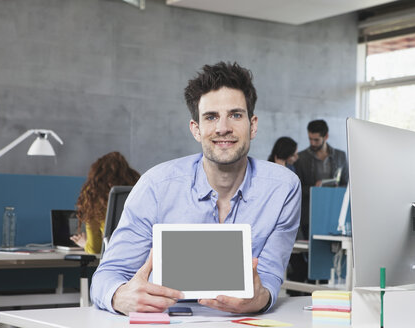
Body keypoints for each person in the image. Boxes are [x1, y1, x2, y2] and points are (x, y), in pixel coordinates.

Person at [90, 62, 301, 315]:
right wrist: (120, 296)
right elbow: (107, 276)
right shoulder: (156, 186)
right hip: (166, 320)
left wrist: (261, 298)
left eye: (235, 114)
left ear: (252, 125)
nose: (223, 127)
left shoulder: (283, 188)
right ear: (196, 129)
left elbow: (268, 277)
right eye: (211, 117)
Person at [70, 151, 140, 254]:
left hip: (114, 260)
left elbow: (95, 248)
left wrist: (84, 243)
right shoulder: (138, 188)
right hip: (143, 258)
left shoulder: (93, 194)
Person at [294, 119, 348, 239]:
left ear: (326, 136)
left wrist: (336, 188)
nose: (312, 143)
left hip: (335, 213)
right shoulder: (301, 158)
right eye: (310, 139)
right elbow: (297, 189)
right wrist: (314, 189)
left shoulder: (340, 156)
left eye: (316, 140)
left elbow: (347, 185)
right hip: (310, 215)